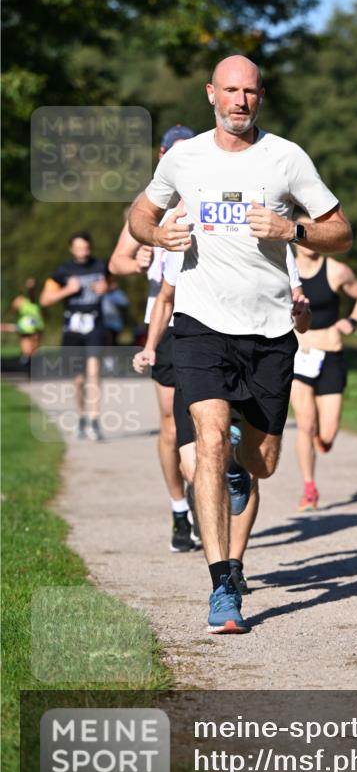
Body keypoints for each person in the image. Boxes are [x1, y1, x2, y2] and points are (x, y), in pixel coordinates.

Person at [128, 54, 352, 634]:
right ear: (210, 94)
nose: (239, 101)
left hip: (271, 332)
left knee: (261, 462)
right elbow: (139, 215)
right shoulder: (184, 158)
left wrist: (292, 229)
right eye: (230, 91)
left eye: (249, 92)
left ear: (261, 97)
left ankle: (235, 466)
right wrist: (156, 232)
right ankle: (224, 583)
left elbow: (341, 231)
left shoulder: (287, 158)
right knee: (206, 438)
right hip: (200, 324)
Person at [133, 242, 312, 587]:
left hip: (257, 352)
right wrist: (151, 347)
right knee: (194, 466)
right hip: (199, 350)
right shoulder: (186, 234)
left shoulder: (273, 240)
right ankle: (220, 563)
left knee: (255, 465)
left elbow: (300, 313)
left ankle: (233, 564)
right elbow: (165, 297)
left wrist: (301, 314)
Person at [109, 125, 197, 552]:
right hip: (162, 324)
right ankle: (180, 509)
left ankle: (207, 492)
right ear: (162, 156)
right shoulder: (148, 206)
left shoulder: (205, 199)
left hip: (205, 318)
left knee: (208, 419)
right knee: (169, 422)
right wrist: (139, 258)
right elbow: (117, 262)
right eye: (173, 153)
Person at [290, 247, 357, 510]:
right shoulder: (284, 268)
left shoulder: (336, 270)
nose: (307, 240)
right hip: (299, 355)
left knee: (326, 435)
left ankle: (318, 439)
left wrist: (352, 321)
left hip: (330, 354)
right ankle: (309, 487)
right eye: (302, 232)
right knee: (306, 425)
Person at [40, 232, 109, 441]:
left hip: (95, 325)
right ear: (72, 249)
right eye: (78, 247)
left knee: (94, 370)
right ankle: (82, 417)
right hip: (72, 327)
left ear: (90, 247)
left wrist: (106, 288)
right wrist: (67, 290)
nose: (82, 251)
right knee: (78, 379)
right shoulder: (63, 271)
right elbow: (45, 300)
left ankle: (95, 421)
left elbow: (113, 284)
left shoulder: (101, 266)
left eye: (85, 247)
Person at [8, 277, 44, 364]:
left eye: (33, 284)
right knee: (27, 351)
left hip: (37, 329)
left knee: (34, 350)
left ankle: (32, 364)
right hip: (25, 329)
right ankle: (26, 360)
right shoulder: (19, 300)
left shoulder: (39, 299)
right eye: (29, 284)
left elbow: (42, 314)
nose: (31, 287)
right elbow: (11, 312)